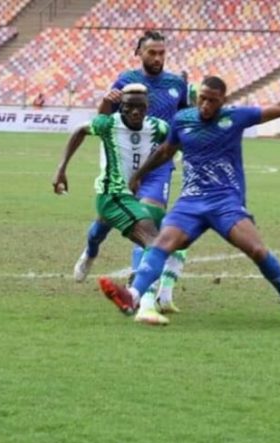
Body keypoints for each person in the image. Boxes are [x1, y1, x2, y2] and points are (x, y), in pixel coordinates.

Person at [98, 71, 280, 326]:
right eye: (202, 98)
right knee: (161, 244)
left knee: (257, 250)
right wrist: (139, 175)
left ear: (223, 101)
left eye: (212, 100)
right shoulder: (182, 120)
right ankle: (133, 296)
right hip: (190, 202)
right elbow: (165, 151)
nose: (206, 105)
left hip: (225, 202)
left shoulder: (235, 117)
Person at [73, 30, 193, 314]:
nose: (158, 58)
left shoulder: (177, 84)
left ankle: (139, 290)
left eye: (162, 53)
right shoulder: (126, 81)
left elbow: (185, 120)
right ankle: (91, 251)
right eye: (152, 52)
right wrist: (107, 100)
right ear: (139, 53)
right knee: (102, 226)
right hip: (124, 164)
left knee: (148, 222)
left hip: (158, 166)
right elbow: (103, 119)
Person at [52, 84, 180, 325]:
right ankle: (137, 294)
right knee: (154, 242)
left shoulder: (158, 127)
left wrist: (143, 173)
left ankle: (91, 252)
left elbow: (171, 146)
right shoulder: (109, 124)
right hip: (112, 194)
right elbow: (79, 131)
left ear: (147, 107)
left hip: (133, 193)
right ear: (122, 107)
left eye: (140, 107)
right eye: (129, 106)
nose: (135, 111)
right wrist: (61, 169)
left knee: (98, 233)